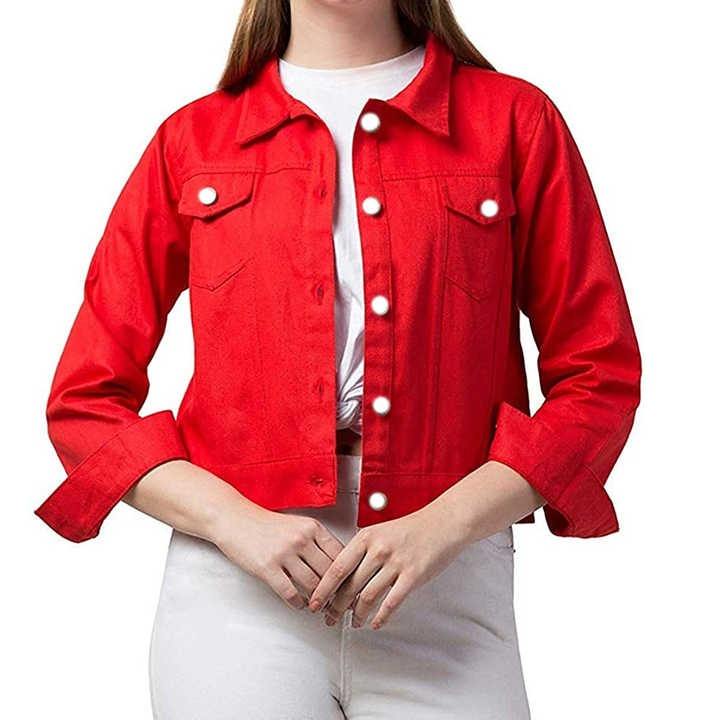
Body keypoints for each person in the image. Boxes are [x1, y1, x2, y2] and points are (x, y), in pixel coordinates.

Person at [35, 1, 642, 718]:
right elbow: (85, 403)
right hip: (236, 593)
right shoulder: (192, 138)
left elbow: (600, 376)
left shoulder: (514, 120)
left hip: (449, 581)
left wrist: (444, 524)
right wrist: (233, 522)